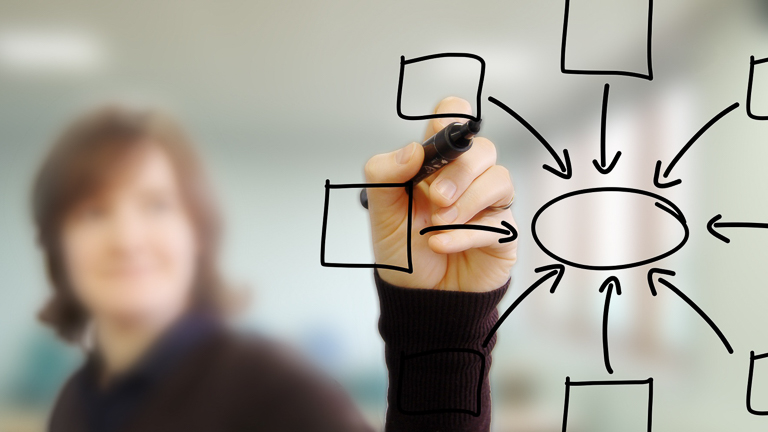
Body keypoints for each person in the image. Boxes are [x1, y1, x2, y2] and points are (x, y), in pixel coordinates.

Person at [34, 96, 517, 432]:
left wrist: (444, 327)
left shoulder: (267, 385)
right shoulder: (75, 400)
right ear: (57, 242)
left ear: (197, 232)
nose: (127, 238)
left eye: (156, 204)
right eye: (93, 211)